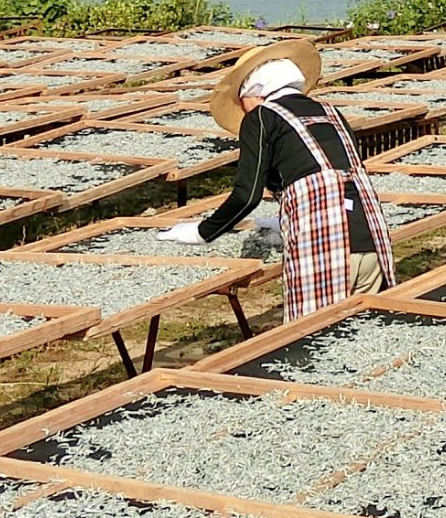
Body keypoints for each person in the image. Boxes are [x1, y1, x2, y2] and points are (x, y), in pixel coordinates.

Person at [162, 40, 395, 322]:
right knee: (361, 333)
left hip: (325, 248)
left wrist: (203, 232)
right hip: (371, 238)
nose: (243, 110)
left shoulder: (262, 118)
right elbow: (331, 179)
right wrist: (284, 218)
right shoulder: (331, 112)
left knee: (315, 338)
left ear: (256, 93)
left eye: (242, 101)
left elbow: (247, 195)